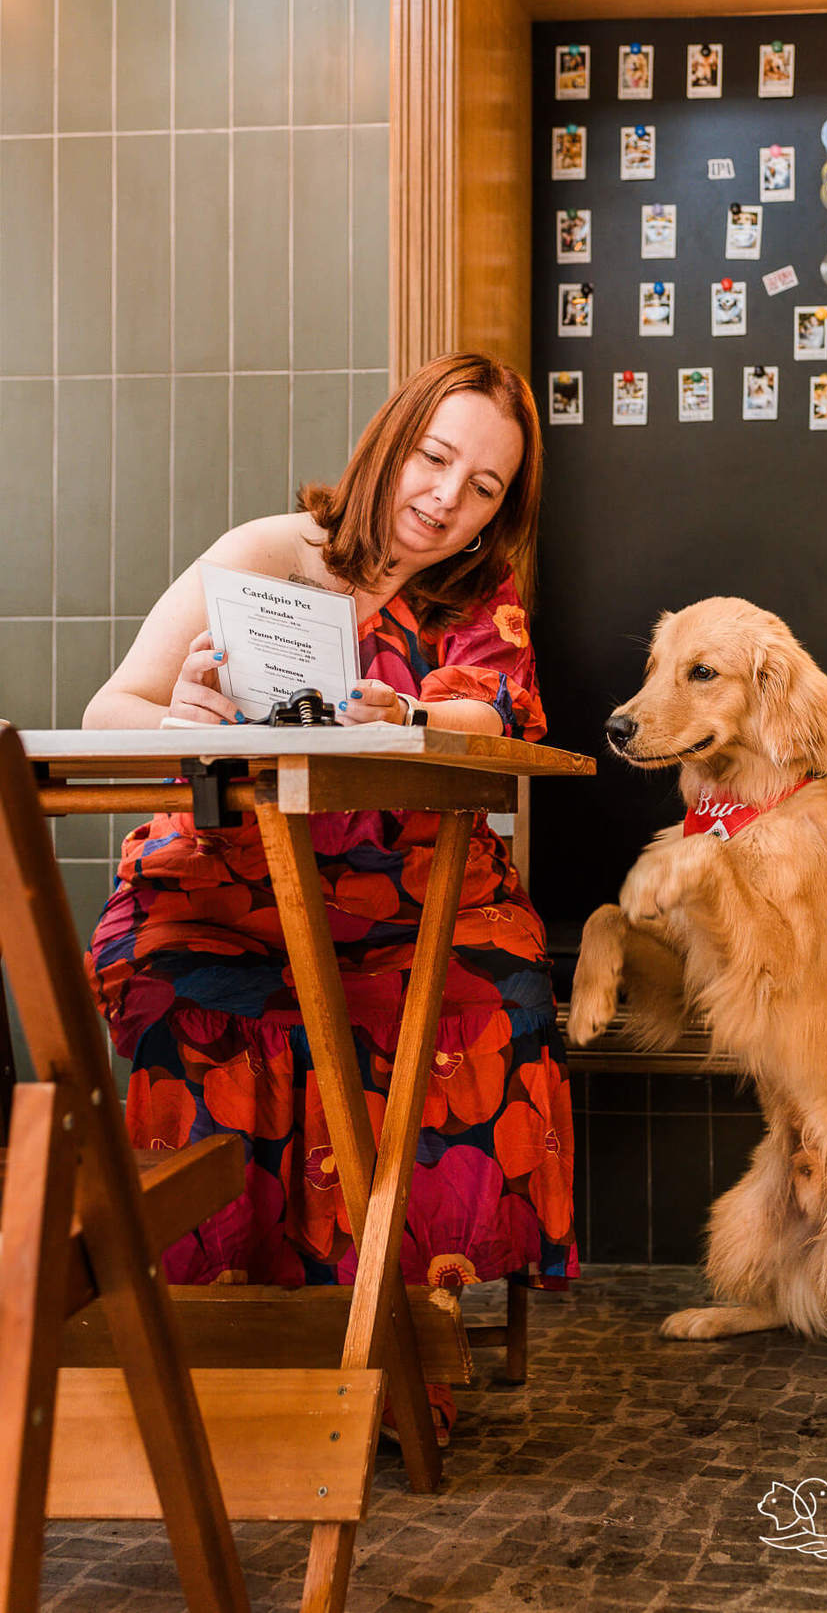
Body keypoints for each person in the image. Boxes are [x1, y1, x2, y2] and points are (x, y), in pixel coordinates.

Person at [83, 352, 577, 1436]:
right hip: (231, 883)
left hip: (415, 897)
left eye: (483, 487)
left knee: (485, 997)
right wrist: (180, 718)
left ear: (501, 512)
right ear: (389, 443)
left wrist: (408, 713)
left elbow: (497, 713)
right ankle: (223, 1336)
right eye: (433, 458)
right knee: (180, 986)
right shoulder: (264, 554)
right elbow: (110, 706)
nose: (445, 499)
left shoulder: (480, 600)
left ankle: (388, 1341)